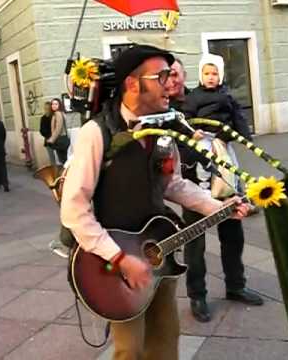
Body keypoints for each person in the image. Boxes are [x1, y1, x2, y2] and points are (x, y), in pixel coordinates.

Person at [60, 44, 252, 360]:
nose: (172, 81)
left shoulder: (163, 128)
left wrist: (218, 207)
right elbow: (74, 208)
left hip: (158, 245)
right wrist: (120, 258)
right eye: (162, 75)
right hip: (114, 262)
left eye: (172, 73)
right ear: (133, 84)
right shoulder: (97, 133)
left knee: (165, 344)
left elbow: (172, 184)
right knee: (130, 350)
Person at [168, 55, 263, 323]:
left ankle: (236, 285)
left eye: (177, 74)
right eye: (168, 75)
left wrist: (230, 134)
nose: (173, 80)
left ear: (185, 75)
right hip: (191, 183)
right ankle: (197, 295)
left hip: (223, 176)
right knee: (194, 241)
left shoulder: (203, 97)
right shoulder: (165, 106)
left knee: (233, 233)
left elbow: (236, 121)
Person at [47, 98, 68, 164]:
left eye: (56, 104)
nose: (54, 105)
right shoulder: (60, 113)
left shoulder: (57, 113)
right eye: (52, 104)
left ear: (59, 105)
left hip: (60, 139)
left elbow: (58, 128)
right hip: (62, 139)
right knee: (64, 159)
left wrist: (51, 139)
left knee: (63, 160)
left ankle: (66, 174)